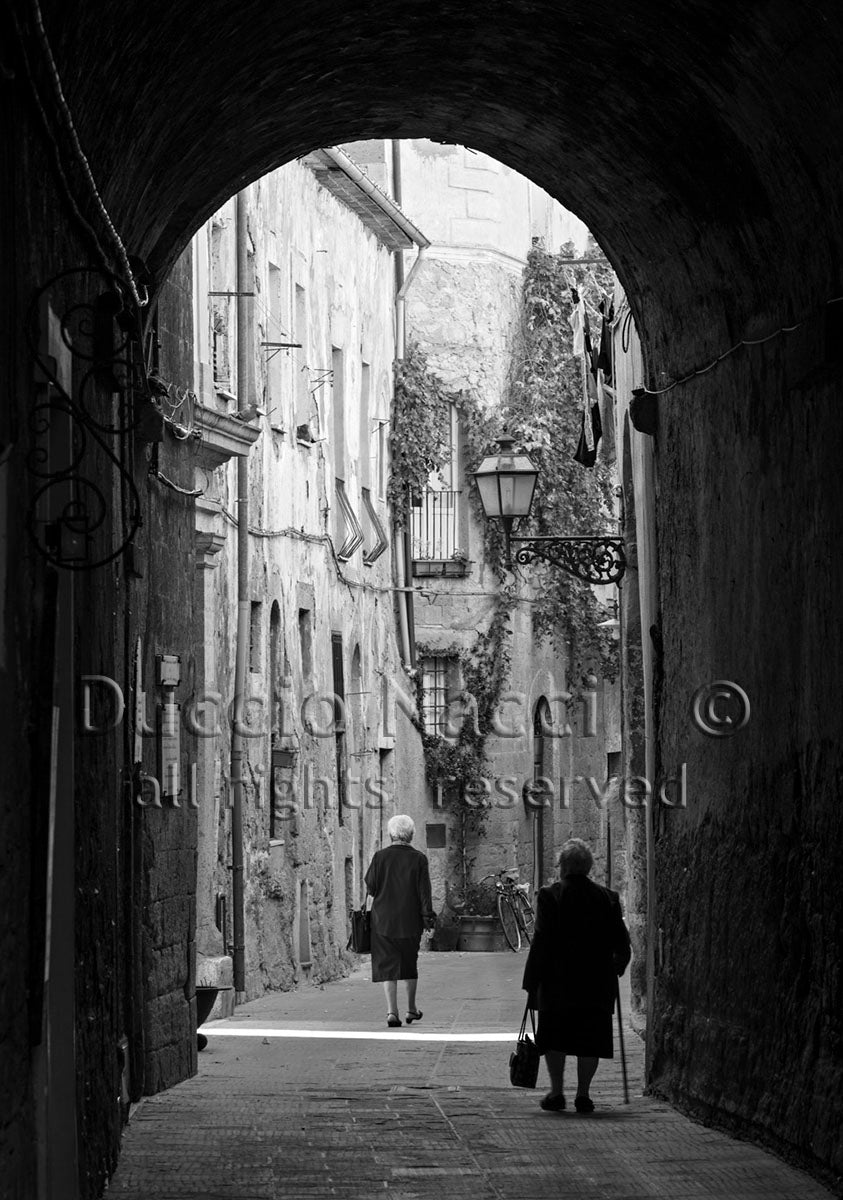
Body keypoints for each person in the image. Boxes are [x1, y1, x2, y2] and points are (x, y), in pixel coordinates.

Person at [522, 837, 631, 1112]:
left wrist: (532, 980)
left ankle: (557, 1092)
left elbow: (541, 940)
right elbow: (621, 942)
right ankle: (583, 1094)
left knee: (555, 1036)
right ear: (588, 867)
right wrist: (617, 966)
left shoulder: (549, 896)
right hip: (596, 981)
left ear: (563, 866)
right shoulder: (608, 898)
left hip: (557, 981)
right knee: (590, 1038)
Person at [364, 814, 435, 1028]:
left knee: (388, 965)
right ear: (411, 835)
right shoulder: (419, 859)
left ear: (391, 834)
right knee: (409, 963)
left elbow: (371, 887)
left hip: (383, 920)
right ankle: (411, 1009)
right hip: (410, 920)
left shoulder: (380, 857)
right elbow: (424, 893)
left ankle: (391, 1012)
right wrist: (428, 920)